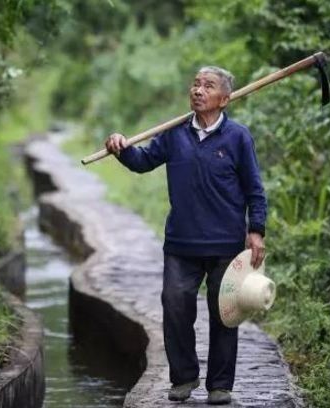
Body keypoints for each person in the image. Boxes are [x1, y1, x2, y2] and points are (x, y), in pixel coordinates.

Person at [104, 66, 267, 405]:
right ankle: (184, 377)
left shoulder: (238, 137)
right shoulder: (174, 134)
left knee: (225, 313)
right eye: (195, 84)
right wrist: (121, 148)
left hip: (226, 244)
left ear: (224, 99)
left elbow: (255, 189)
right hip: (182, 243)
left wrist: (256, 231)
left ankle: (220, 385)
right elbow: (143, 161)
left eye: (207, 86)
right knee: (175, 305)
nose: (197, 90)